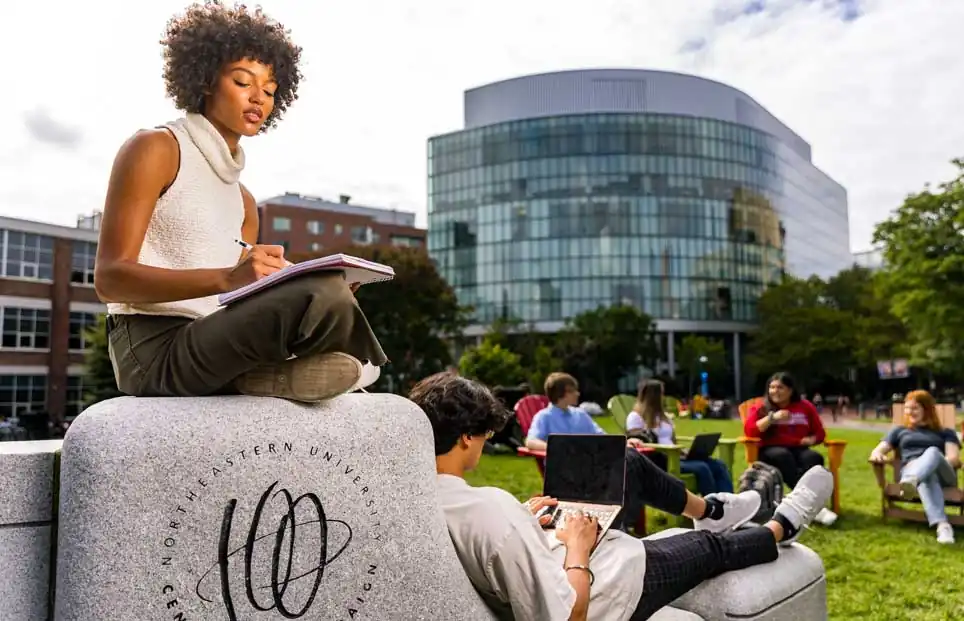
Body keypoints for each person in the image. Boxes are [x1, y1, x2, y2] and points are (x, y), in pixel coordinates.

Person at [94, 2, 387, 402]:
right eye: (242, 81)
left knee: (330, 292)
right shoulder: (156, 148)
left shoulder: (244, 201)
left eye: (269, 90)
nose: (259, 99)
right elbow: (109, 279)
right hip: (150, 348)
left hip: (215, 341)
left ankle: (264, 376)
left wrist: (286, 282)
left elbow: (240, 297)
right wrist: (226, 277)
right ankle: (294, 373)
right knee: (320, 295)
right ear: (206, 78)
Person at [411, 372, 834, 621]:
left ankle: (713, 509)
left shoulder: (420, 498)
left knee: (629, 465)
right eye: (485, 434)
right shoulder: (488, 510)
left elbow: (493, 544)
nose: (486, 442)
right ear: (467, 436)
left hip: (558, 549)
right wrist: (578, 545)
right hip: (609, 588)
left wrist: (524, 518)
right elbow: (568, 612)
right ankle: (784, 523)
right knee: (708, 548)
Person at [526, 373, 756, 530]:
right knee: (637, 470)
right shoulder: (544, 417)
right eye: (574, 390)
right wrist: (565, 450)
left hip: (597, 467)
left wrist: (624, 443)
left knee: (633, 463)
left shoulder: (580, 415)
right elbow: (531, 441)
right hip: (570, 474)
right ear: (564, 392)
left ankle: (722, 511)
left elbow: (604, 438)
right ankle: (711, 515)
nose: (578, 394)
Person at [743, 372, 837, 525]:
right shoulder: (762, 407)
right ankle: (812, 507)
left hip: (798, 448)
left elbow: (819, 433)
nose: (775, 391)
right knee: (783, 456)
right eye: (772, 387)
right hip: (770, 450)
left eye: (780, 387)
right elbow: (750, 431)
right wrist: (773, 418)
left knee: (813, 458)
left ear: (790, 390)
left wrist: (811, 439)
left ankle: (801, 504)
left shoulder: (805, 406)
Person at [869, 390, 961, 544]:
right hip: (913, 470)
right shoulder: (899, 431)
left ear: (927, 409)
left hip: (943, 474)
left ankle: (912, 480)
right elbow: (877, 450)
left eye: (915, 408)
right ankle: (943, 526)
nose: (909, 412)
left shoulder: (945, 432)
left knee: (932, 452)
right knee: (927, 478)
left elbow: (952, 458)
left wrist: (930, 462)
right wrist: (878, 455)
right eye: (907, 408)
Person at [627, 380, 733, 496]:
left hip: (677, 456)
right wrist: (669, 452)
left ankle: (728, 503)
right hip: (661, 461)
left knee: (718, 465)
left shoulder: (662, 417)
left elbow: (672, 441)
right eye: (661, 394)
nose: (663, 397)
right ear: (653, 396)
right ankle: (710, 508)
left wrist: (685, 452)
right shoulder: (635, 418)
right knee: (702, 468)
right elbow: (638, 446)